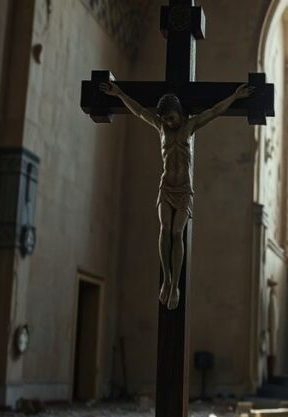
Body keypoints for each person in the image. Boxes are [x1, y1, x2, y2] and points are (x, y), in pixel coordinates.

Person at [99, 81, 255, 309]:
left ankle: (175, 287)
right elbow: (140, 111)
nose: (168, 122)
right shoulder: (162, 128)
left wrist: (235, 96)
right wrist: (120, 93)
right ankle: (167, 279)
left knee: (176, 232)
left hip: (183, 190)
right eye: (164, 119)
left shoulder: (189, 126)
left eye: (171, 117)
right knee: (164, 229)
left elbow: (214, 111)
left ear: (180, 114)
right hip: (166, 187)